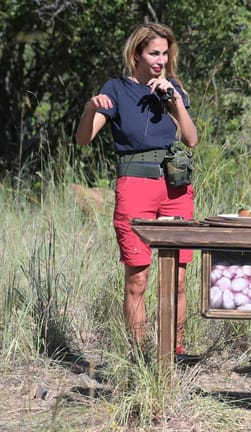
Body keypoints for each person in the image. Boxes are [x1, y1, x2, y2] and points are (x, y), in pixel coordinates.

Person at [75, 23, 198, 360]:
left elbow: (191, 139)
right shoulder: (115, 89)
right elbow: (84, 139)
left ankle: (175, 352)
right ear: (137, 54)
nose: (160, 60)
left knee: (179, 277)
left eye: (165, 53)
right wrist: (91, 108)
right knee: (138, 278)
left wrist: (173, 98)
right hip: (135, 186)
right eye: (153, 53)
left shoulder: (173, 89)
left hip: (175, 187)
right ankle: (139, 356)